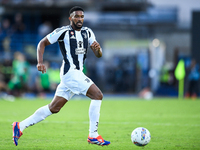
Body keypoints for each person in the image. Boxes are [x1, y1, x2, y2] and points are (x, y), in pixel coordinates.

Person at [12, 6, 110, 146]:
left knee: (54, 108)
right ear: (71, 18)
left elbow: (98, 55)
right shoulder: (63, 32)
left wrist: (98, 50)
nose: (80, 19)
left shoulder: (88, 33)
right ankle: (93, 135)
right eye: (76, 16)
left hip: (76, 74)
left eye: (82, 16)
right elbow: (42, 43)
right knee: (98, 95)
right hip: (70, 73)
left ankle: (19, 126)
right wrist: (40, 62)